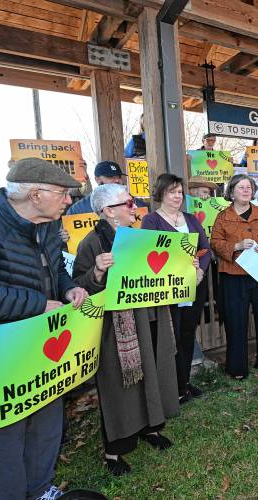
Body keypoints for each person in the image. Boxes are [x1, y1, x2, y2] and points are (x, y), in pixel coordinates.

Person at [0, 158, 88, 500]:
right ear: (36, 194)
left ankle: (39, 489)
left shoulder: (47, 225)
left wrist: (68, 288)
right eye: (63, 194)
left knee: (47, 427)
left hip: (42, 346)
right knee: (4, 440)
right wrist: (38, 305)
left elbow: (56, 269)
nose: (68, 201)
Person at [72, 184, 179, 476]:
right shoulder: (92, 243)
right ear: (108, 211)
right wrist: (96, 271)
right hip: (117, 328)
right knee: (121, 384)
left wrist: (185, 265)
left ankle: (151, 427)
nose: (135, 208)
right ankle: (115, 451)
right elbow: (78, 288)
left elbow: (161, 269)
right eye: (128, 203)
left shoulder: (141, 236)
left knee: (152, 372)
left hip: (150, 317)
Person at [141, 174, 211, 403]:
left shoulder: (191, 219)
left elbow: (205, 248)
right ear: (161, 193)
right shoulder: (151, 221)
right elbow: (150, 253)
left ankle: (185, 382)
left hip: (194, 285)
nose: (177, 196)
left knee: (189, 333)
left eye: (180, 192)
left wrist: (199, 270)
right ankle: (172, 388)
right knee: (172, 337)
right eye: (172, 191)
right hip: (169, 289)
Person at [210, 174, 258, 378]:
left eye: (249, 187)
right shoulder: (223, 217)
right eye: (241, 187)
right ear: (231, 191)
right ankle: (237, 367)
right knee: (235, 321)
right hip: (233, 276)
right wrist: (236, 246)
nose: (246, 190)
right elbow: (214, 242)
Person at [67, 161, 148, 215]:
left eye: (119, 177)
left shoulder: (137, 204)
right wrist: (65, 236)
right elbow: (63, 238)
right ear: (97, 180)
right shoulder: (78, 209)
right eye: (110, 177)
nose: (117, 180)